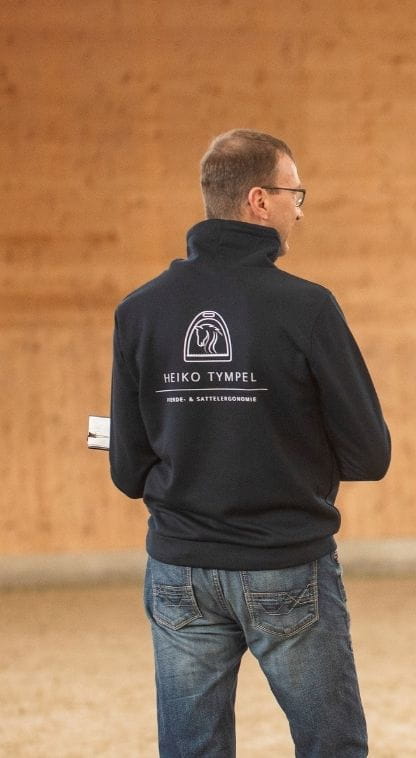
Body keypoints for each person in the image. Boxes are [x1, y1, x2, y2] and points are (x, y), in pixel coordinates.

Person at [109, 129, 391, 757]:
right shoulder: (309, 308)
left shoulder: (139, 312)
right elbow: (371, 454)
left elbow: (128, 470)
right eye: (296, 192)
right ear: (259, 200)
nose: (300, 207)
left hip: (179, 570)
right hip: (285, 562)